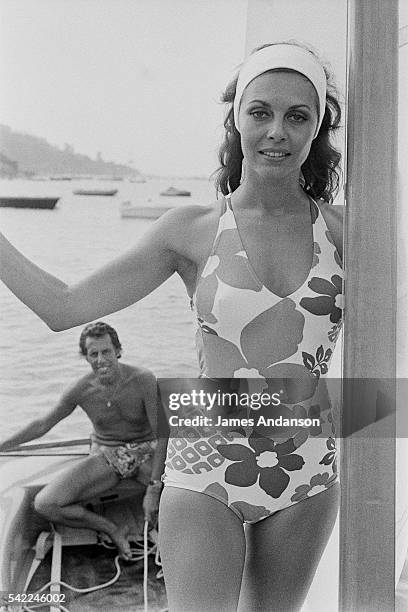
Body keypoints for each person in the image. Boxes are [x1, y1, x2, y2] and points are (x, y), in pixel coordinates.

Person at [0, 41, 343, 610]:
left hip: (307, 470)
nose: (277, 131)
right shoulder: (189, 230)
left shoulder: (347, 231)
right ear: (236, 117)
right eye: (260, 112)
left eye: (297, 116)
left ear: (316, 130)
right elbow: (61, 308)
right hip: (208, 468)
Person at [0, 321, 168, 561]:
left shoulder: (143, 379)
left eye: (106, 352)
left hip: (146, 451)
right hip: (108, 456)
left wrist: (154, 488)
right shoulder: (80, 389)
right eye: (93, 354)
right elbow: (42, 424)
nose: (101, 360)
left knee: (183, 495)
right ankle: (112, 528)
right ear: (86, 357)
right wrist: (2, 445)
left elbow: (163, 433)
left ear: (118, 351)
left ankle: (166, 538)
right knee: (45, 504)